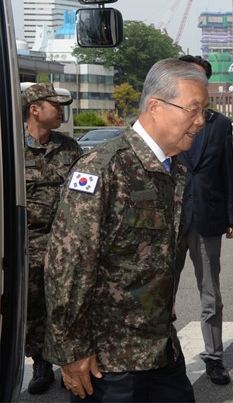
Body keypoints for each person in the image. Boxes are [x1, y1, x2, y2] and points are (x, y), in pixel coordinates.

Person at [43, 59, 209, 402]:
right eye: (193, 110)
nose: (200, 121)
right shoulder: (103, 167)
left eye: (203, 112)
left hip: (160, 348)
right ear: (155, 106)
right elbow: (68, 266)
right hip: (109, 360)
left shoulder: (173, 170)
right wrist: (71, 350)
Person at [175, 54, 233, 385]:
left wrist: (232, 214)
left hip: (208, 217)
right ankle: (162, 356)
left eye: (199, 77)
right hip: (168, 220)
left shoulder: (220, 124)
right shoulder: (167, 118)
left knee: (210, 291)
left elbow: (227, 171)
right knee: (158, 290)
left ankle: (214, 356)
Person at [22, 83, 82, 395]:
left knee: (67, 304)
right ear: (35, 109)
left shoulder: (69, 147)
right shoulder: (13, 149)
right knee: (35, 307)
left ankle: (70, 362)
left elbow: (85, 191)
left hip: (65, 242)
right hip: (29, 244)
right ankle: (41, 364)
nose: (61, 111)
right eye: (55, 105)